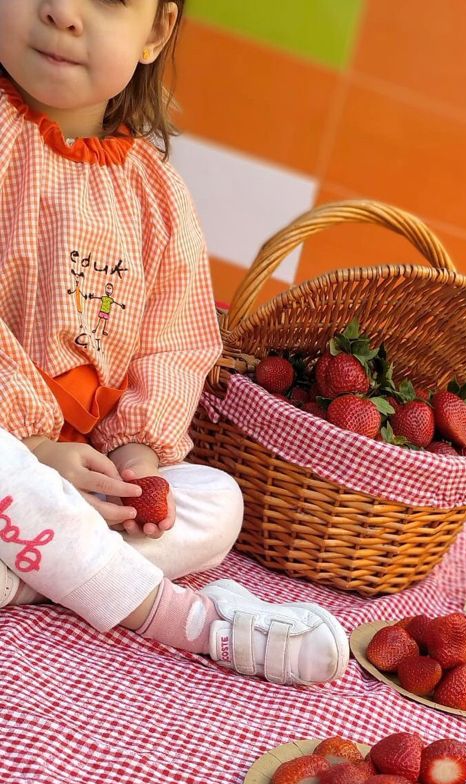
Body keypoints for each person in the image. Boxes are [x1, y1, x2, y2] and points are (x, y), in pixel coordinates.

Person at [0, 0, 349, 685]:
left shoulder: (158, 195)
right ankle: (190, 620)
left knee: (217, 500)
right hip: (10, 446)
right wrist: (35, 446)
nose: (62, 12)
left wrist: (136, 453)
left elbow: (175, 343)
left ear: (157, 30)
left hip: (83, 475)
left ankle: (38, 570)